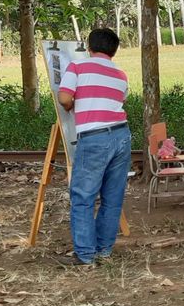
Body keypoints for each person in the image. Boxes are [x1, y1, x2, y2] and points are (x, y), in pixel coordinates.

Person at [55, 28, 131, 267]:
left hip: (94, 137)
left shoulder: (77, 67)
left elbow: (65, 98)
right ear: (115, 50)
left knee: (83, 197)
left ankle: (85, 254)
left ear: (89, 47)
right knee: (112, 197)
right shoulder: (121, 75)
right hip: (122, 135)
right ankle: (104, 249)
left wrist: (72, 108)